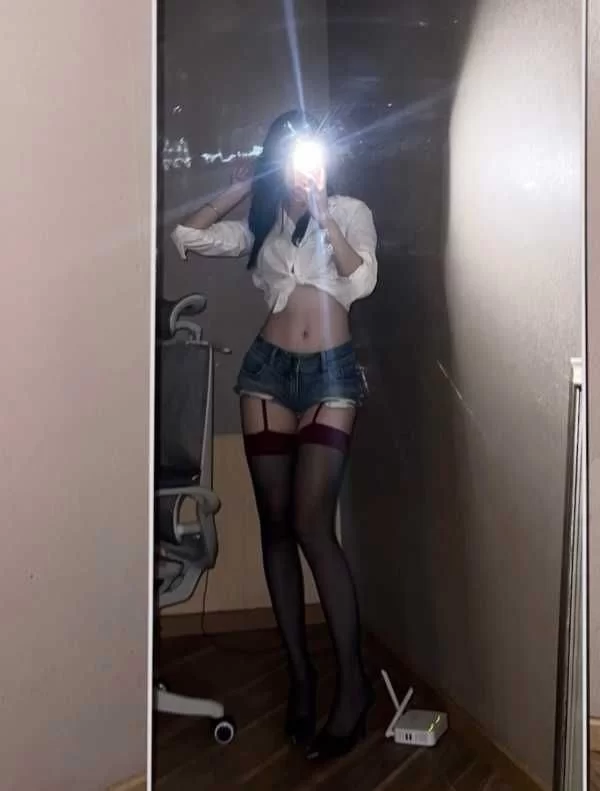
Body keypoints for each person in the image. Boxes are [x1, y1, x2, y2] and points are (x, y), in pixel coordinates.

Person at [171, 110, 378, 760]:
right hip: (266, 377)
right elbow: (186, 234)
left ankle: (353, 686)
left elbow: (362, 278)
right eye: (285, 153)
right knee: (277, 529)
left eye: (305, 150)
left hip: (331, 377)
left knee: (314, 525)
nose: (297, 165)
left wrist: (321, 211)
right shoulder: (262, 225)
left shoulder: (349, 211)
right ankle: (301, 679)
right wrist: (243, 186)